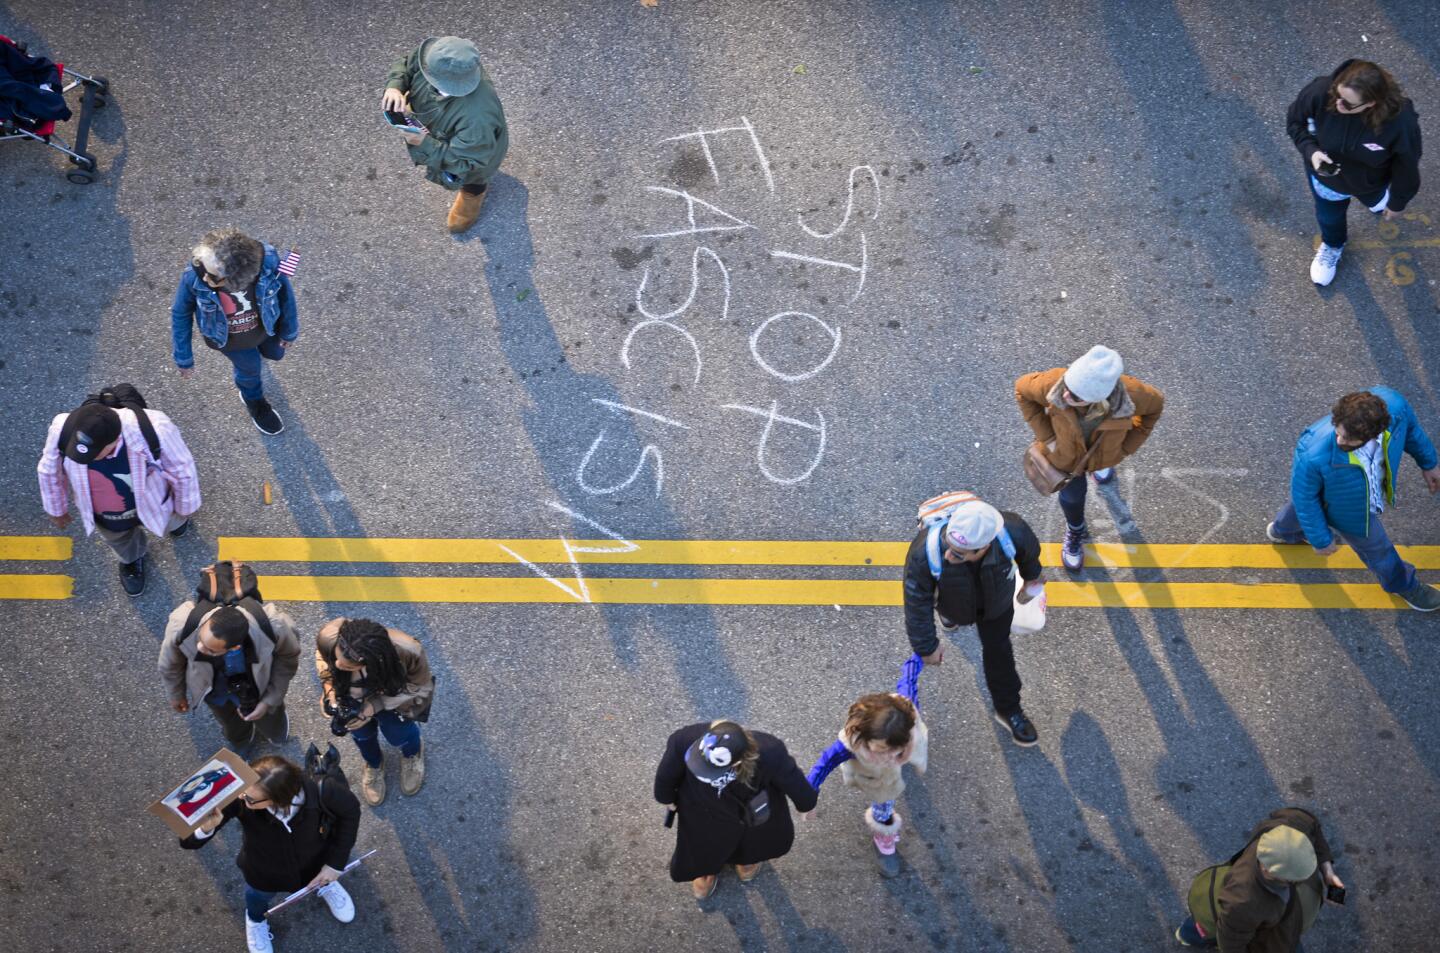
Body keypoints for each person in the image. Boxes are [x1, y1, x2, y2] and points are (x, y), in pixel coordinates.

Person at [1267, 388, 1440, 611]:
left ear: (1373, 433)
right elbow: (1304, 496)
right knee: (1378, 549)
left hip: (1339, 492)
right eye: (1337, 431)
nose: (1339, 439)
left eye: (1348, 438)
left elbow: (1411, 432)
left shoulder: (1395, 408)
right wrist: (1320, 539)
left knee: (1311, 505)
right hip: (1351, 510)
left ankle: (1282, 531)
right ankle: (1404, 584)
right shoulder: (1311, 452)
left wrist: (1429, 463)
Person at [182, 755, 362, 953]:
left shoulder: (324, 790)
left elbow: (351, 812)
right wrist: (206, 828)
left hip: (317, 862)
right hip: (264, 872)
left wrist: (335, 864)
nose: (242, 798)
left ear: (280, 800)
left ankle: (326, 883)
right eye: (243, 791)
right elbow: (188, 842)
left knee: (323, 876)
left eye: (250, 799)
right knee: (257, 897)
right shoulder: (242, 797)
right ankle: (255, 919)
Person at [903, 496, 1045, 746]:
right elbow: (916, 601)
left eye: (958, 554)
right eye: (948, 546)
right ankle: (947, 614)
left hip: (996, 606)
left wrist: (1032, 581)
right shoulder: (923, 552)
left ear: (985, 547)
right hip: (952, 600)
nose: (947, 556)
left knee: (999, 652)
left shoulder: (1013, 531)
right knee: (943, 601)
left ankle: (1008, 709)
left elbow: (1030, 558)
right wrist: (926, 647)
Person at [37, 385, 201, 596]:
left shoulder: (155, 427)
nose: (85, 459)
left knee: (173, 517)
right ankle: (131, 560)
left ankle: (177, 524)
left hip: (156, 499)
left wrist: (185, 506)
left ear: (115, 439)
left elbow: (182, 468)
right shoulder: (62, 428)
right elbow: (49, 470)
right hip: (106, 512)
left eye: (95, 453)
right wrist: (56, 509)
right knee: (119, 539)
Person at [1015, 345, 1165, 571]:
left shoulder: (1132, 396)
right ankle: (1076, 530)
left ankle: (1099, 467)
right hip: (1065, 459)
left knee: (1101, 468)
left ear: (1099, 398)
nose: (1065, 395)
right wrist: (1048, 438)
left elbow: (1155, 408)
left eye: (1075, 396)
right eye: (1068, 386)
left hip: (1104, 455)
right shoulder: (1054, 383)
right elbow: (1022, 391)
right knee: (1072, 498)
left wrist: (1124, 448)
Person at [1286, 59, 1423, 286]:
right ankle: (1333, 245)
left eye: (1347, 104)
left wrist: (1398, 201)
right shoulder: (1320, 92)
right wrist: (1310, 151)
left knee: (1376, 198)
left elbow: (1406, 166)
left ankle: (1378, 202)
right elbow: (1294, 122)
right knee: (1329, 218)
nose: (1337, 105)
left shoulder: (1400, 123)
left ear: (1371, 103)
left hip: (1371, 182)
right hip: (1327, 181)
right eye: (1336, 95)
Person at [654, 719, 818, 900]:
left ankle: (742, 861)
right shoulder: (684, 740)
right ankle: (711, 870)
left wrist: (806, 804)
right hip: (704, 811)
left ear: (739, 761)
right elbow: (666, 774)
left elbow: (792, 779)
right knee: (703, 844)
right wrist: (665, 797)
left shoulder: (770, 751)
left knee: (751, 840)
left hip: (747, 811)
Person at [805, 654, 926, 878]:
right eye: (880, 750)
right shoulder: (850, 745)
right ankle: (884, 835)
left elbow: (908, 680)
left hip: (892, 762)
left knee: (895, 767)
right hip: (875, 779)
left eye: (895, 750)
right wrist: (806, 798)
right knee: (884, 803)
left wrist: (922, 653)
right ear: (863, 736)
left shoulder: (907, 712)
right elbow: (823, 764)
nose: (888, 755)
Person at [159, 563, 302, 749]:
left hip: (258, 688)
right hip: (214, 690)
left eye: (212, 650)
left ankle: (274, 732)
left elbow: (287, 660)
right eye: (201, 639)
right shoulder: (182, 624)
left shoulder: (274, 626)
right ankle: (241, 738)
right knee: (228, 719)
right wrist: (176, 694)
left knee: (270, 717)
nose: (200, 648)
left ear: (235, 647)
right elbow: (169, 665)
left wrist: (268, 702)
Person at [171, 228, 299, 435]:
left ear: (240, 279)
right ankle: (253, 399)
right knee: (250, 368)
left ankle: (260, 362)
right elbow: (180, 314)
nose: (205, 279)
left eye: (214, 278)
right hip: (229, 340)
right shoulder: (195, 275)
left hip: (266, 327)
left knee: (275, 353)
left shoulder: (267, 263)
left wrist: (289, 331)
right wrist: (183, 358)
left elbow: (285, 294)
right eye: (204, 268)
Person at [382, 36, 509, 234]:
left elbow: (463, 162)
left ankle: (472, 196)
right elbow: (409, 62)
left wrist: (422, 142)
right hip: (446, 131)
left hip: (476, 155)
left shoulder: (477, 118)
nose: (426, 74)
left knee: (474, 178)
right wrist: (394, 86)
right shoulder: (437, 59)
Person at [1175, 807, 1345, 951]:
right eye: (1297, 878)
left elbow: (1308, 821)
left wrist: (1328, 871)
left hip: (1273, 923)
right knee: (1204, 929)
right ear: (1271, 872)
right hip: (1231, 921)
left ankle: (1188, 934)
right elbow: (1232, 943)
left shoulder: (1280, 835)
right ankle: (1187, 936)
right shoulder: (1244, 902)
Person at [315, 617, 435, 805]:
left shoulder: (408, 651)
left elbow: (421, 687)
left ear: (369, 662)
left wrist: (374, 706)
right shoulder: (330, 637)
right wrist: (329, 689)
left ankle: (412, 753)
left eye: (347, 666)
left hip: (393, 698)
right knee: (362, 736)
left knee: (399, 734)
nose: (338, 665)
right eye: (337, 658)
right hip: (350, 697)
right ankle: (374, 764)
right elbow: (323, 658)